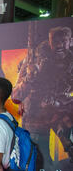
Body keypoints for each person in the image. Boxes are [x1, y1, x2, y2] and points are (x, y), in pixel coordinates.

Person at [12, 26, 73, 161]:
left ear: (70, 42)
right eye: (55, 42)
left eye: (63, 41)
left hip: (63, 117)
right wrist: (30, 77)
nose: (59, 46)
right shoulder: (34, 60)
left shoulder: (70, 63)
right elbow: (16, 96)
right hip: (36, 121)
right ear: (49, 42)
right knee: (41, 164)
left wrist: (62, 100)